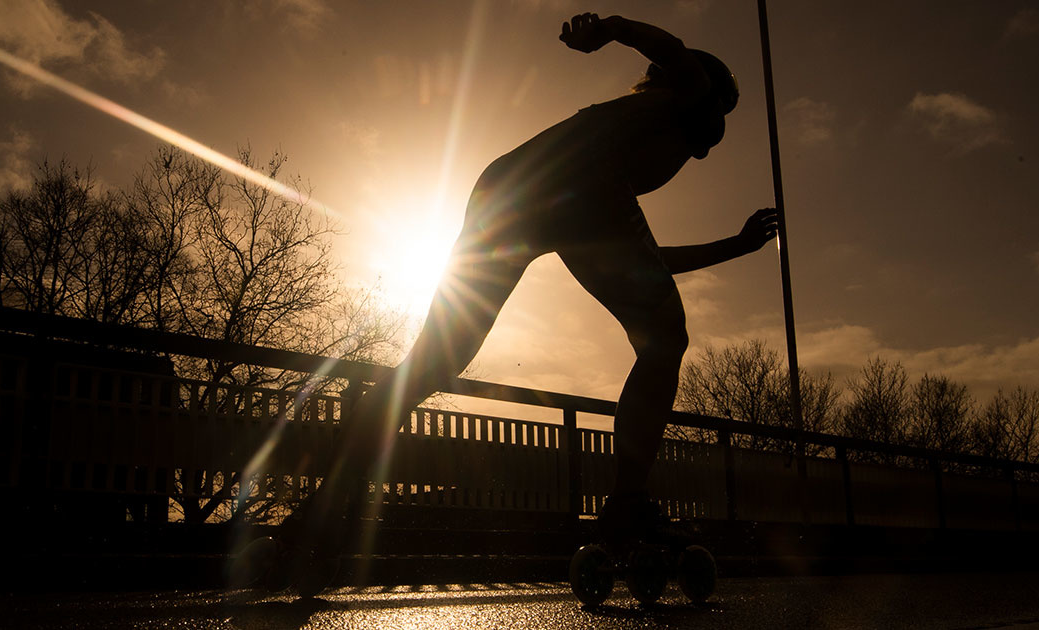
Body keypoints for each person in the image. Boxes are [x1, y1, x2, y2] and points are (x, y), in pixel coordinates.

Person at [297, 12, 778, 559]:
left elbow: (647, 262)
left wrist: (735, 247)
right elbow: (674, 49)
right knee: (664, 338)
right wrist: (612, 28)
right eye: (722, 113)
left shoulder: (625, 125)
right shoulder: (686, 94)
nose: (713, 137)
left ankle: (325, 502)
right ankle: (627, 504)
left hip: (508, 190)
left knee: (435, 359)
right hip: (581, 189)